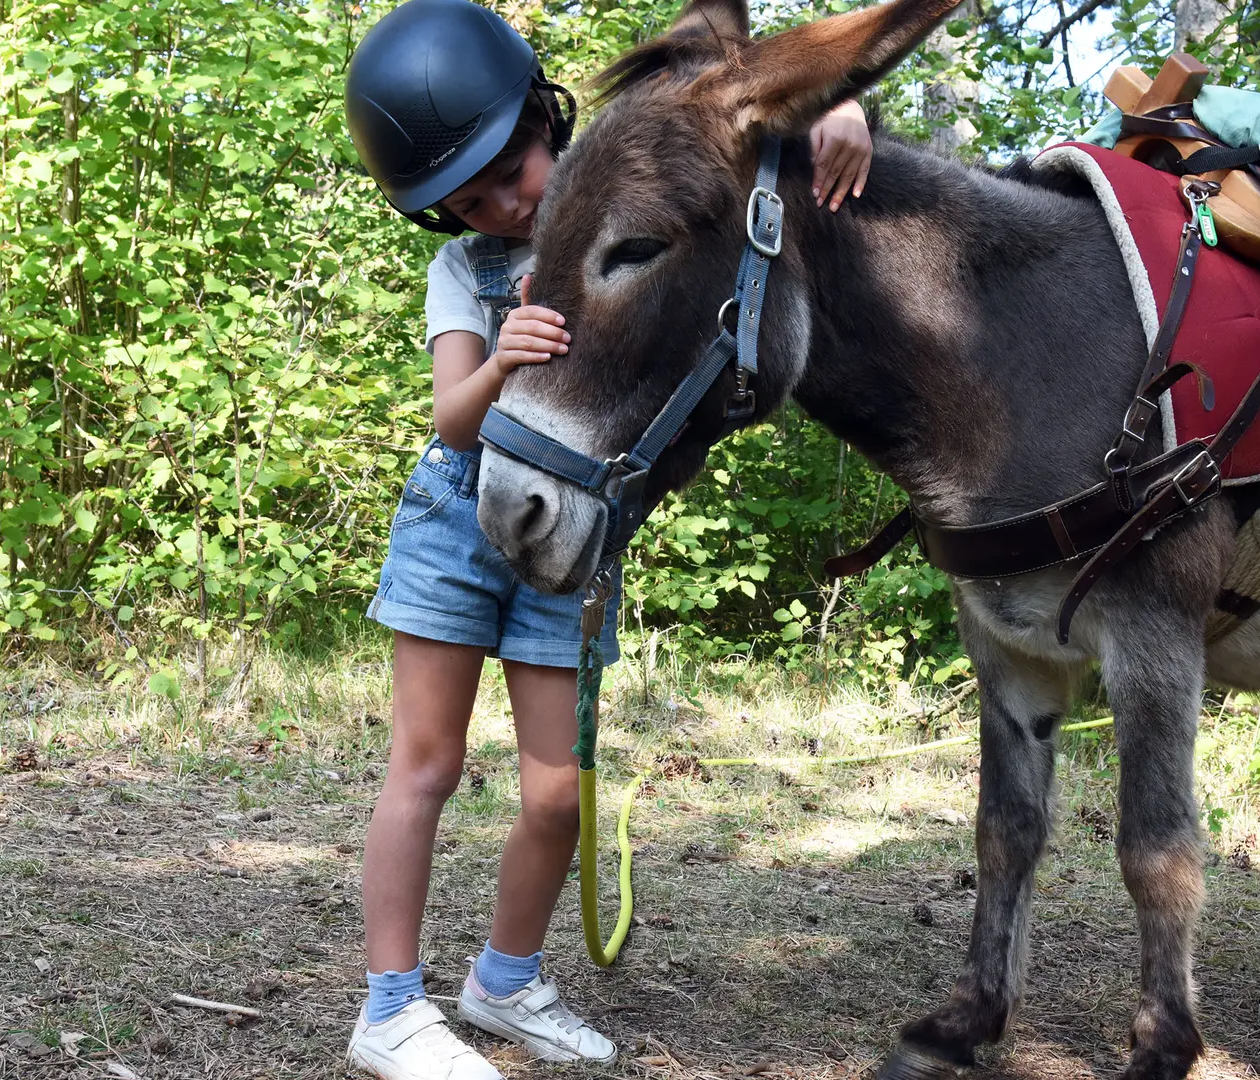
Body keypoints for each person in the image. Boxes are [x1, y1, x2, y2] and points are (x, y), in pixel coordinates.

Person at [341, 3, 874, 1077]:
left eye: (513, 168)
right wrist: (502, 360)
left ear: (547, 123)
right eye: (469, 195)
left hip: (573, 541)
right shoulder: (463, 277)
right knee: (426, 766)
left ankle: (503, 980)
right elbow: (452, 418)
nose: (503, 202)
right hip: (457, 517)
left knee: (556, 791)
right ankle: (390, 1008)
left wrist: (843, 107)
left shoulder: (612, 193)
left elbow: (730, 122)